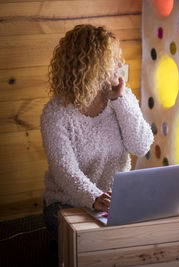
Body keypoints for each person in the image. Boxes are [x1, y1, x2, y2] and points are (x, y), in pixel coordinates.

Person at [41, 24, 154, 241]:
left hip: (116, 200)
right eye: (113, 59)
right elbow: (65, 171)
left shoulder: (121, 97)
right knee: (91, 242)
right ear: (91, 65)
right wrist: (94, 197)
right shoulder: (55, 113)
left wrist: (120, 100)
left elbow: (141, 146)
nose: (120, 64)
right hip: (67, 202)